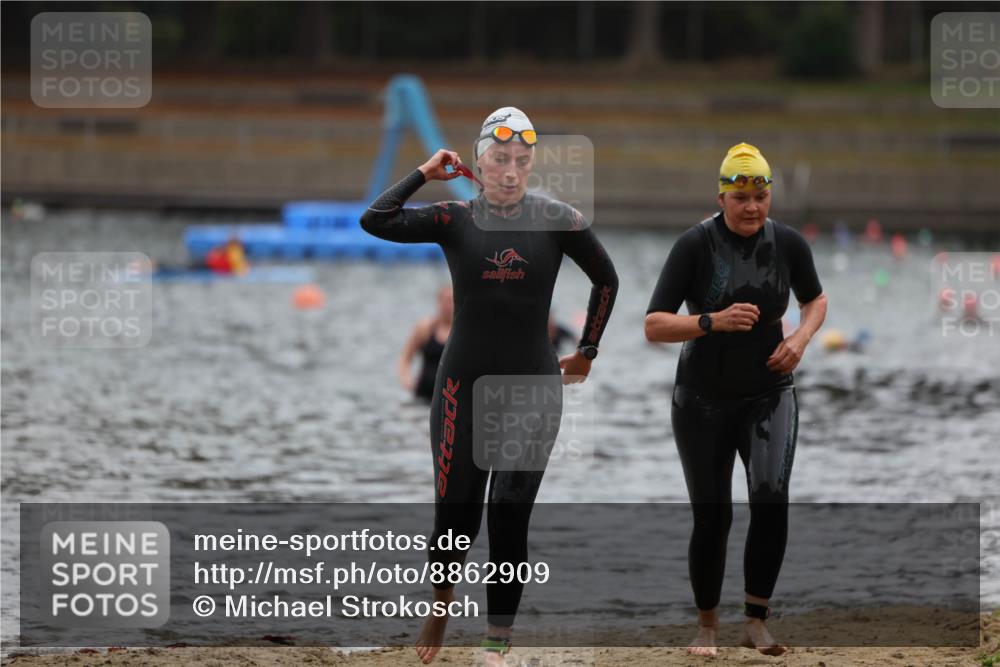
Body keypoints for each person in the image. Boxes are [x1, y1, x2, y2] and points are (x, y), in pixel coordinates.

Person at [361, 107, 618, 666]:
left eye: (521, 161)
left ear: (530, 166)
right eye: (500, 159)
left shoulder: (557, 218)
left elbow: (607, 278)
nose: (510, 170)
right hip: (460, 391)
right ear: (479, 161)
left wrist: (589, 351)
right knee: (455, 517)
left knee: (508, 514)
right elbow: (375, 220)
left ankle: (496, 642)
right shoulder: (455, 218)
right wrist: (425, 173)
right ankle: (440, 608)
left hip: (533, 390)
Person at [644, 143, 827, 657]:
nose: (751, 207)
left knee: (770, 497)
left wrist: (800, 339)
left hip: (769, 391)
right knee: (713, 513)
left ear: (770, 195)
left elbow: (815, 300)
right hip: (701, 396)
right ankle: (706, 625)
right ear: (721, 196)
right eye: (740, 196)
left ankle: (756, 619)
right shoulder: (694, 245)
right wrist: (710, 321)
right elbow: (654, 325)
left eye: (760, 196)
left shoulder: (787, 244)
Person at [401, 286, 454, 402]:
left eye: (451, 301)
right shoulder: (425, 328)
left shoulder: (460, 331)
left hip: (450, 397)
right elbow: (405, 358)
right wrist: (407, 380)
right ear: (438, 302)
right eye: (445, 300)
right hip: (423, 394)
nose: (448, 306)